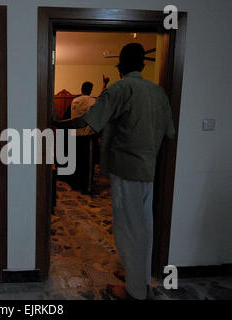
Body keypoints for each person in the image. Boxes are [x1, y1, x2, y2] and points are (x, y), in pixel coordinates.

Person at [54, 43, 175, 300]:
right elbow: (169, 133)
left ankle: (134, 292)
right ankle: (138, 277)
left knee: (127, 228)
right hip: (149, 169)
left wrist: (54, 122)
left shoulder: (120, 89)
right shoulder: (158, 92)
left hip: (126, 169)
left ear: (120, 66)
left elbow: (88, 120)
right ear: (143, 65)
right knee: (144, 225)